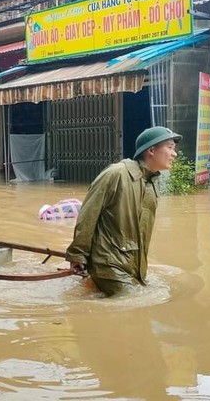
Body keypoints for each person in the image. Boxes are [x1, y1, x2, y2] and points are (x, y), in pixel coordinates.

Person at [65, 126, 182, 296]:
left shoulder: (151, 183)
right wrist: (78, 255)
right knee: (135, 303)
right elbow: (88, 215)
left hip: (133, 265)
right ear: (151, 150)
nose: (174, 154)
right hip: (109, 264)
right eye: (170, 147)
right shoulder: (116, 174)